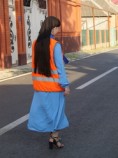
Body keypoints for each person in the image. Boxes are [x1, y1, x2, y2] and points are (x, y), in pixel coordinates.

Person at [27, 16, 70, 149]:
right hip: (54, 87)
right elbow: (60, 68)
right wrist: (65, 85)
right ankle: (55, 137)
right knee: (57, 114)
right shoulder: (55, 45)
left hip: (40, 87)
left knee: (46, 113)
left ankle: (53, 137)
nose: (58, 30)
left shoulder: (35, 43)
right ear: (53, 28)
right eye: (58, 28)